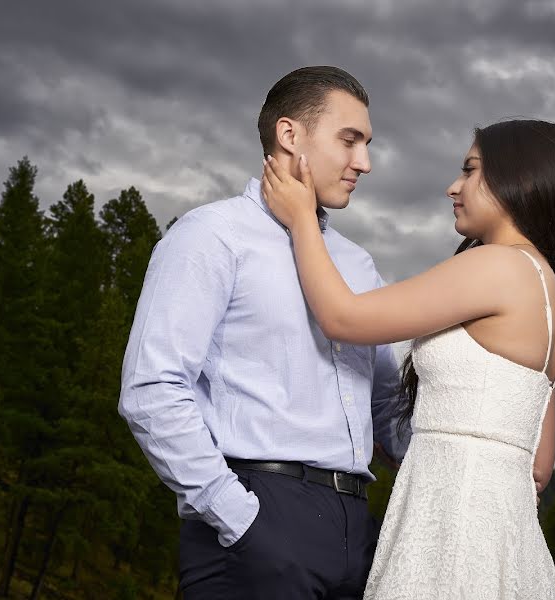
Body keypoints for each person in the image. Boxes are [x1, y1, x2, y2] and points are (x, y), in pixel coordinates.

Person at [118, 66, 412, 599]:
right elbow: (152, 390)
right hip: (258, 517)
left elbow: (387, 408)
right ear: (289, 134)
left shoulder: (359, 265)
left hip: (359, 536)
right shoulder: (211, 236)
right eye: (350, 141)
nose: (364, 163)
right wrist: (240, 519)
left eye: (367, 145)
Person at [260, 118, 555, 599]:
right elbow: (539, 466)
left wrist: (302, 218)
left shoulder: (497, 265)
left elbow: (344, 318)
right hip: (505, 541)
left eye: (470, 170)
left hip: (451, 526)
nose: (454, 186)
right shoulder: (546, 293)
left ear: (522, 180)